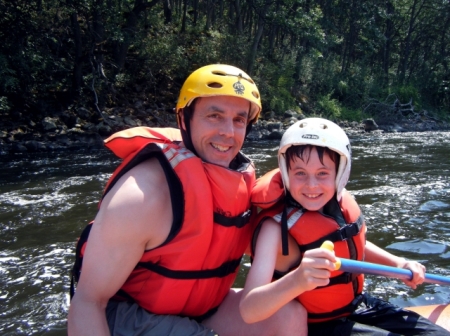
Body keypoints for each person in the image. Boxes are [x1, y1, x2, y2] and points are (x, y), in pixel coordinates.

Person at [67, 64, 306, 336]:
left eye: (239, 119)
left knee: (290, 316)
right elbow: (88, 303)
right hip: (128, 315)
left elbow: (270, 254)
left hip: (201, 307)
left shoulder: (237, 184)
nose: (228, 132)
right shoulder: (141, 197)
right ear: (184, 120)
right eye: (214, 115)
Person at [240, 117, 450, 335]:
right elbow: (249, 310)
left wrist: (400, 263)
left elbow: (352, 245)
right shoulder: (274, 229)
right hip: (318, 326)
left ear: (340, 174)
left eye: (323, 173)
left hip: (357, 304)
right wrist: (297, 279)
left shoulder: (337, 204)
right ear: (286, 172)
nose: (312, 185)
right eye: (300, 173)